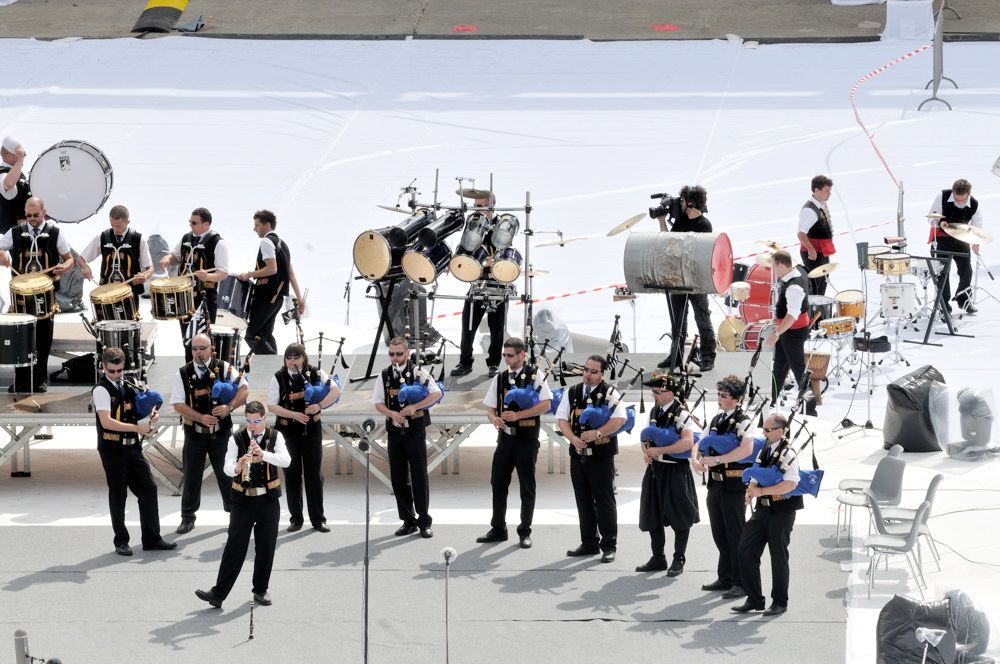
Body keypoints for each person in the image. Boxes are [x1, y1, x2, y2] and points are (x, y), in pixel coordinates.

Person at [195, 400, 291, 608]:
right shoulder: (236, 438)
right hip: (243, 500)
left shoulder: (275, 436)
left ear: (264, 418)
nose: (253, 425)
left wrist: (263, 454)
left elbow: (286, 460)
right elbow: (226, 467)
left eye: (257, 421)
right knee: (234, 546)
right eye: (249, 421)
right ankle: (218, 593)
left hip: (267, 500)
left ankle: (260, 590)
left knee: (266, 546)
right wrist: (238, 466)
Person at [92, 347, 177, 556]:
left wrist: (151, 416)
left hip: (133, 448)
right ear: (103, 367)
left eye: (119, 370)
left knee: (148, 489)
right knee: (118, 494)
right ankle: (121, 541)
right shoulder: (101, 390)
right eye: (111, 371)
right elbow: (107, 421)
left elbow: (139, 410)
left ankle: (152, 538)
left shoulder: (129, 385)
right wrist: (137, 428)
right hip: (113, 450)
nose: (116, 375)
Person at [477, 337, 553, 549]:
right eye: (504, 355)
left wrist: (519, 416)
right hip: (505, 438)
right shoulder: (500, 378)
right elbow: (490, 407)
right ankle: (498, 528)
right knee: (498, 483)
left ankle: (525, 531)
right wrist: (494, 418)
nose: (507, 359)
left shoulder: (535, 375)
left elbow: (546, 404)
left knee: (527, 486)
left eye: (510, 355)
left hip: (526, 439)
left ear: (522, 355)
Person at [170, 333, 249, 534]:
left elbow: (244, 389)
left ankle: (235, 514)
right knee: (191, 476)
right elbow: (178, 404)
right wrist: (200, 417)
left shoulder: (224, 367)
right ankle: (187, 517)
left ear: (211, 348)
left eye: (202, 348)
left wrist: (229, 407)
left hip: (221, 434)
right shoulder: (183, 373)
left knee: (227, 474)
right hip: (195, 433)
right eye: (194, 348)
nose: (198, 352)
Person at [0, 196, 75, 392]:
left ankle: (40, 379)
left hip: (45, 295)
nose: (31, 218)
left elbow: (69, 259)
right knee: (21, 338)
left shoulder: (55, 233)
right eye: (28, 215)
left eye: (35, 214)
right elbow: (0, 247)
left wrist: (64, 267)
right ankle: (21, 381)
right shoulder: (15, 232)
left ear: (44, 212)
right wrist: (1, 253)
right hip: (21, 297)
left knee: (42, 338)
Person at [557, 354, 626, 563]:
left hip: (601, 456)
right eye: (586, 370)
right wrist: (573, 439)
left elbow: (620, 419)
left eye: (593, 371)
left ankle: (608, 545)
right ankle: (589, 543)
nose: (588, 374)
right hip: (578, 456)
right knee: (583, 500)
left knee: (604, 500)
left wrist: (598, 433)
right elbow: (561, 419)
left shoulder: (610, 393)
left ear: (602, 373)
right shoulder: (573, 392)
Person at [267, 342, 341, 533]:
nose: (292, 361)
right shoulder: (278, 377)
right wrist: (293, 415)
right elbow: (272, 406)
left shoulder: (316, 372)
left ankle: (318, 519)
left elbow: (335, 390)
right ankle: (296, 519)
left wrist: (320, 406)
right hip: (287, 431)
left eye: (296, 357)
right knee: (291, 475)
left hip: (311, 431)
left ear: (304, 358)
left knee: (313, 475)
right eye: (288, 358)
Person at [732, 412, 801, 617]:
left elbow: (791, 483)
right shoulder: (765, 448)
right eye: (764, 428)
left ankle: (780, 601)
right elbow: (756, 471)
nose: (764, 431)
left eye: (768, 429)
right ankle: (754, 598)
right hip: (762, 509)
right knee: (745, 550)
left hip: (781, 510)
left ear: (781, 431)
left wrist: (761, 491)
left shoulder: (788, 453)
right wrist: (752, 489)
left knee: (778, 557)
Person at [372, 336, 440, 538]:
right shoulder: (384, 375)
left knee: (419, 476)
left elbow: (435, 394)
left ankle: (424, 521)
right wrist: (391, 413)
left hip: (415, 430)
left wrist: (415, 407)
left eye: (398, 353)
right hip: (395, 431)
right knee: (399, 478)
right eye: (391, 354)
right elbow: (377, 402)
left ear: (407, 353)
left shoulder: (419, 372)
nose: (395, 357)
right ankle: (408, 520)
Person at [693, 374, 754, 599]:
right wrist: (695, 459)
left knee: (735, 533)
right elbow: (700, 442)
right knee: (720, 533)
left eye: (724, 395)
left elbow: (746, 450)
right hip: (715, 485)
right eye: (718, 394)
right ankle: (725, 576)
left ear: (736, 399)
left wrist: (718, 460)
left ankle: (741, 582)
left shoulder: (744, 421)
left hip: (734, 483)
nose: (720, 398)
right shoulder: (716, 419)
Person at [635, 373, 700, 576]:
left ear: (670, 392)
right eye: (653, 391)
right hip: (656, 469)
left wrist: (660, 451)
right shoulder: (655, 410)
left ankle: (678, 558)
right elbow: (647, 437)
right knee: (652, 513)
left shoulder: (682, 413)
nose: (654, 394)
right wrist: (646, 451)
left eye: (657, 391)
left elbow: (688, 443)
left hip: (675, 469)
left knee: (679, 515)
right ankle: (658, 557)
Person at [656, 185, 716, 372]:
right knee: (678, 320)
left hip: (696, 280)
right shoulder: (680, 221)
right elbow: (668, 241)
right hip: (678, 278)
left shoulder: (704, 225)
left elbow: (701, 253)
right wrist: (661, 220)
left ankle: (707, 356)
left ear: (690, 202)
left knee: (702, 319)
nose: (679, 203)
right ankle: (676, 355)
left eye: (682, 200)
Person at [159, 207, 230, 361]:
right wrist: (168, 260)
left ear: (206, 224)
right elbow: (176, 257)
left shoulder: (218, 243)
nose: (190, 225)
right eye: (190, 222)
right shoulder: (186, 237)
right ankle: (189, 372)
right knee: (187, 338)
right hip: (184, 297)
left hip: (204, 298)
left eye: (194, 222)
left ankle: (206, 372)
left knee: (203, 340)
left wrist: (207, 276)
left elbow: (223, 273)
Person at [451, 193, 508, 378]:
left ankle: (494, 363)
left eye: (481, 205)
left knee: (497, 328)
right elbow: (464, 247)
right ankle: (465, 362)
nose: (478, 208)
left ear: (492, 206)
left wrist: (495, 260)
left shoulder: (503, 225)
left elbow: (507, 252)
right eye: (476, 205)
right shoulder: (473, 223)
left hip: (498, 283)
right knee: (468, 326)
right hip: (477, 282)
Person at [238, 209, 305, 355]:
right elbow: (291, 274)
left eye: (257, 225)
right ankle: (275, 368)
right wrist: (299, 299)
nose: (254, 229)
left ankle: (271, 363)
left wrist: (249, 274)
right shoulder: (284, 245)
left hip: (266, 295)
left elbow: (271, 269)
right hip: (278, 298)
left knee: (251, 335)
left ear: (267, 225)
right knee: (265, 334)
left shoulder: (266, 242)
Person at [76, 204, 153, 311]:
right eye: (112, 225)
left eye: (118, 226)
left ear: (127, 222)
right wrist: (85, 267)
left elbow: (150, 268)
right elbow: (80, 259)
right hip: (107, 292)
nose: (115, 229)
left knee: (129, 325)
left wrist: (145, 276)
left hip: (130, 292)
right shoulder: (102, 237)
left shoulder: (139, 240)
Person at [928, 178, 984, 315]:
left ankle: (963, 299)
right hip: (941, 239)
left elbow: (977, 226)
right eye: (957, 199)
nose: (959, 202)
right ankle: (943, 303)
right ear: (953, 192)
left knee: (966, 271)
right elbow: (931, 218)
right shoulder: (942, 196)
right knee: (942, 272)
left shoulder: (974, 204)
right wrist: (940, 223)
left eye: (962, 200)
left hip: (961, 239)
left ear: (968, 194)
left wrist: (976, 243)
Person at [767, 251, 810, 404]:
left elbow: (792, 315)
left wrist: (777, 332)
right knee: (779, 367)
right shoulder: (798, 271)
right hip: (788, 330)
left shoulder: (794, 287)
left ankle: (810, 407)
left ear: (780, 265)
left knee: (799, 370)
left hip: (793, 332)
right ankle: (770, 400)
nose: (773, 270)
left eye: (773, 267)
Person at [798, 175, 836, 296]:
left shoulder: (821, 203)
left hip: (822, 252)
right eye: (826, 191)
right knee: (815, 287)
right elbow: (801, 234)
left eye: (829, 190)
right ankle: (814, 313)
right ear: (816, 190)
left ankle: (820, 312)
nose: (829, 193)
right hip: (814, 254)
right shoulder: (809, 211)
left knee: (822, 283)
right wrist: (810, 249)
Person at [0, 136, 30, 235]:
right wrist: (20, 159)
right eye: (22, 154)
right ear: (9, 156)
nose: (24, 157)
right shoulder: (3, 173)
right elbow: (8, 184)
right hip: (17, 234)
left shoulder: (18, 174)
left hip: (26, 230)